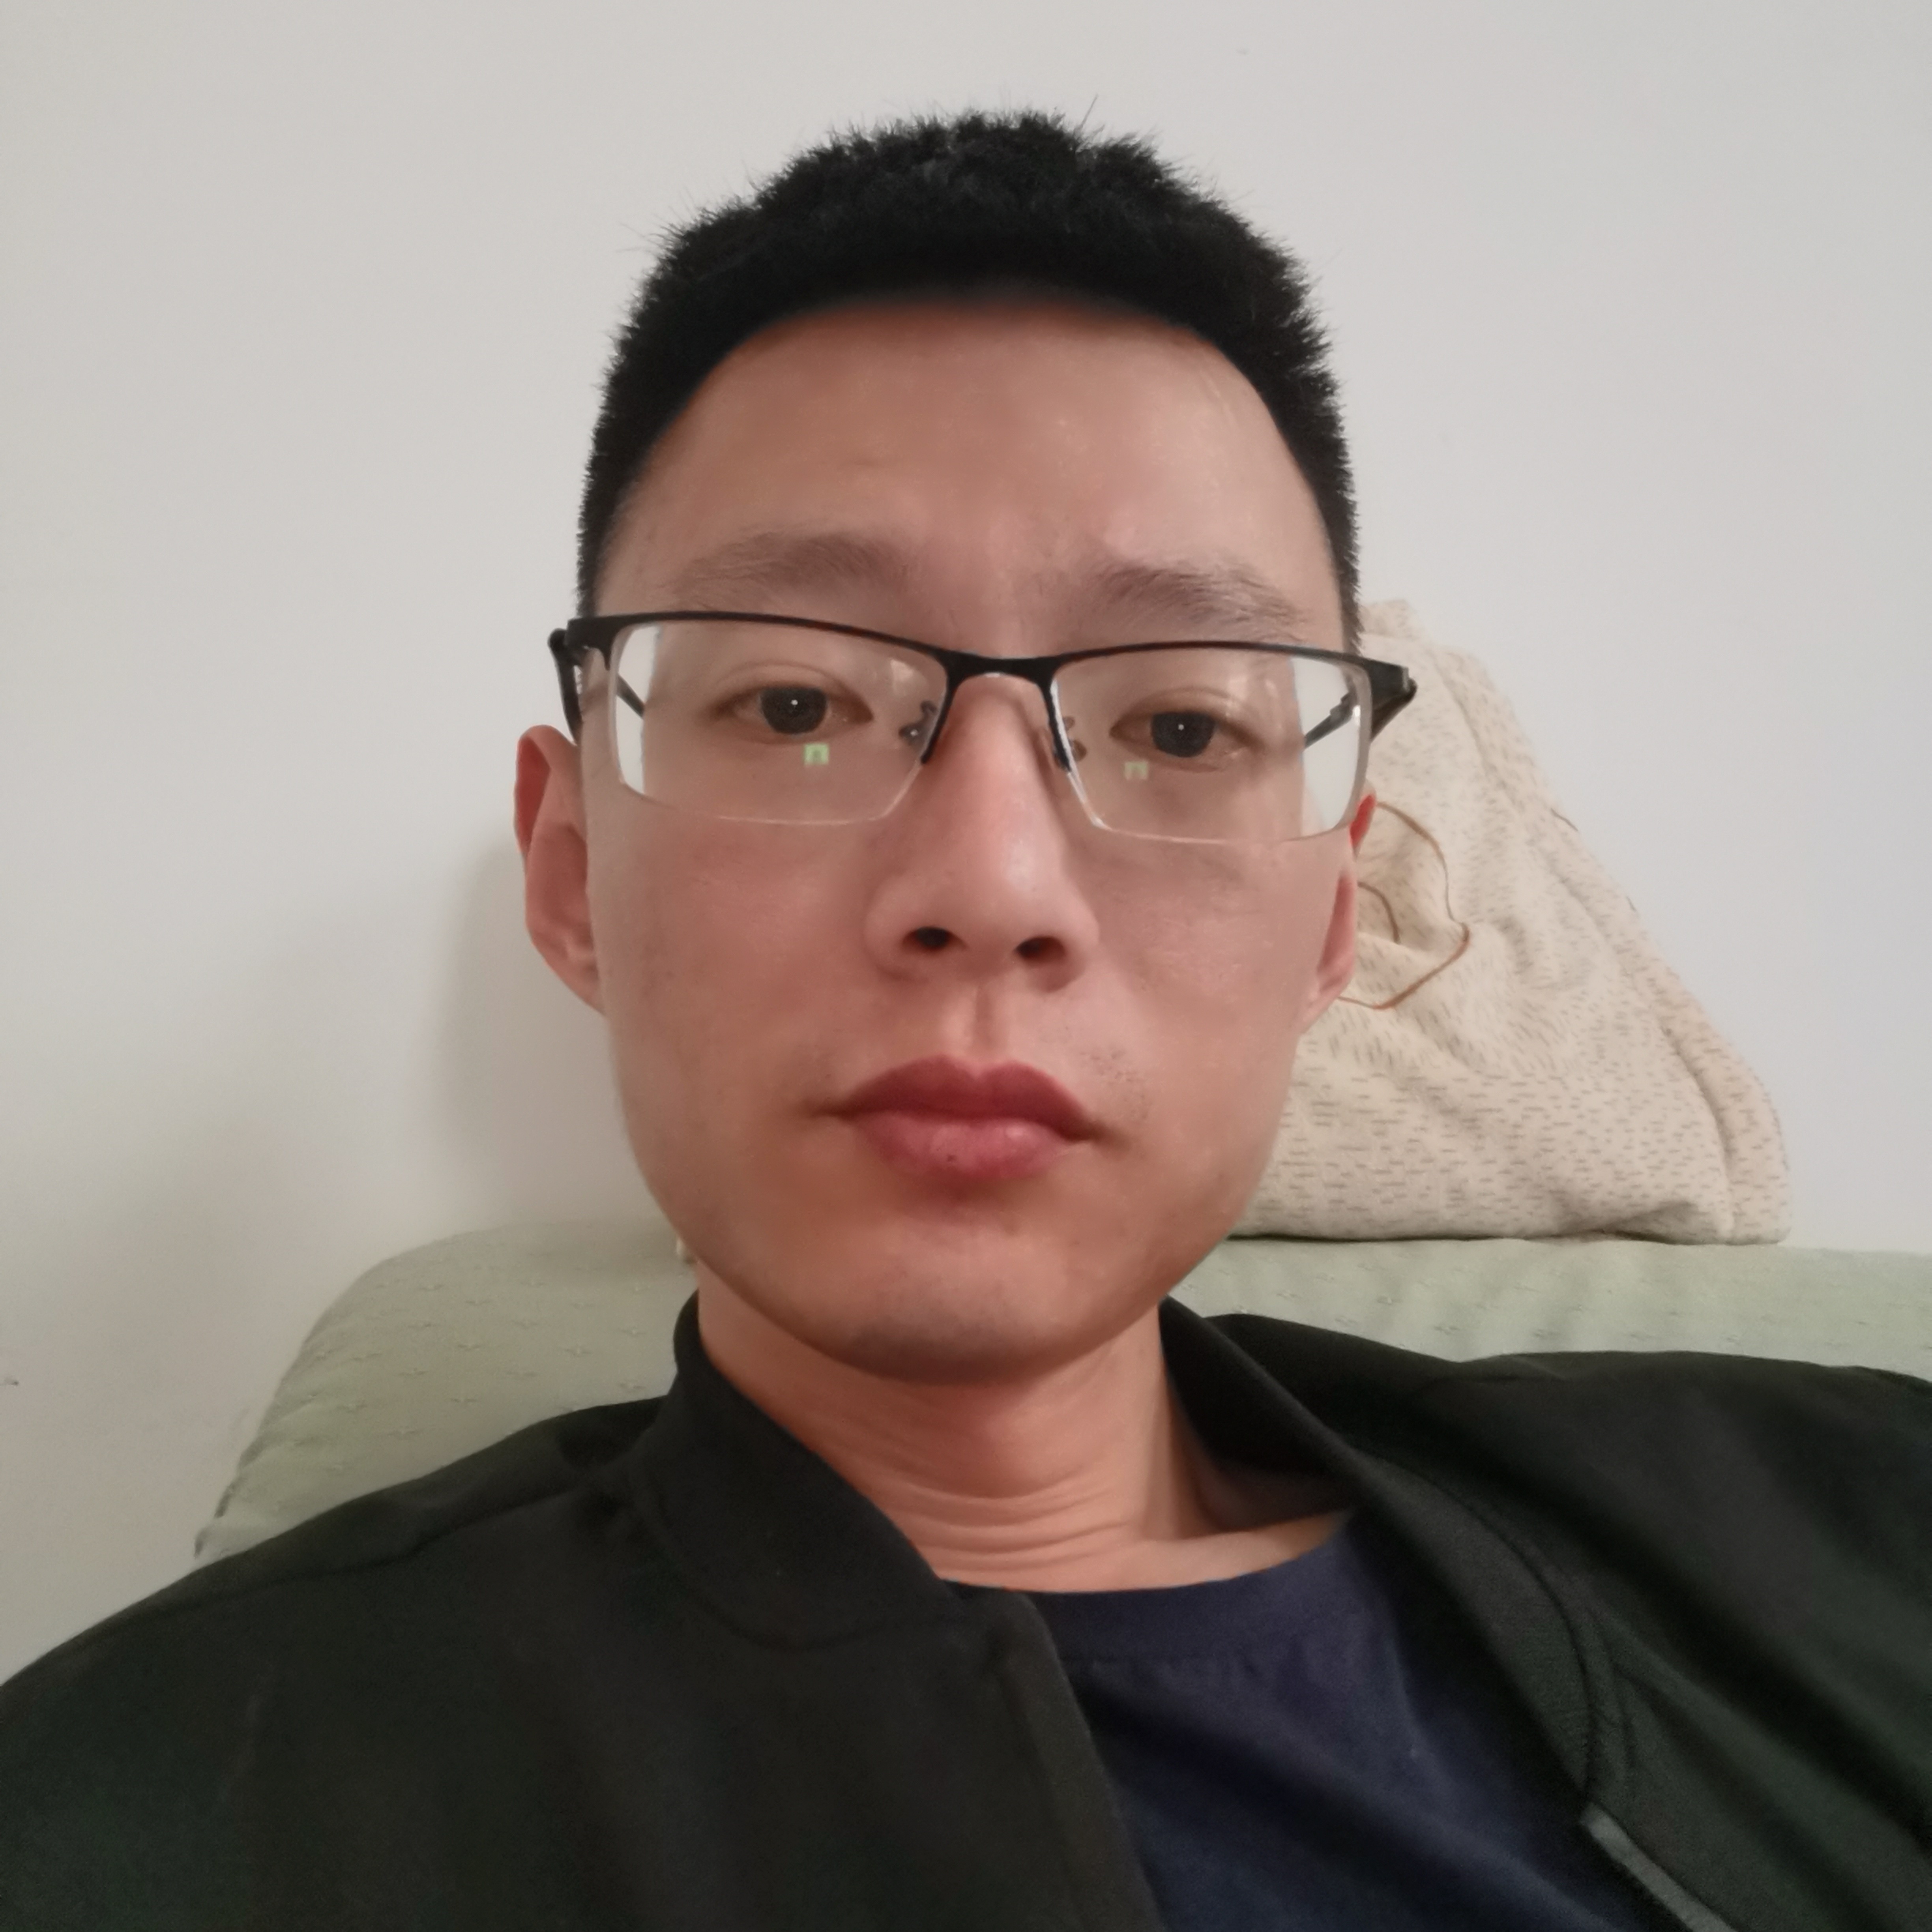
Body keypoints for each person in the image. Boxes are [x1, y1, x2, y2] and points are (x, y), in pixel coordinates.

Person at [1, 111, 1926, 1932]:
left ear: (1333, 920)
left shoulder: (1846, 1522)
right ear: (573, 871)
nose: (992, 885)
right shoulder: (149, 1801)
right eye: (795, 705)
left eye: (1183, 725)